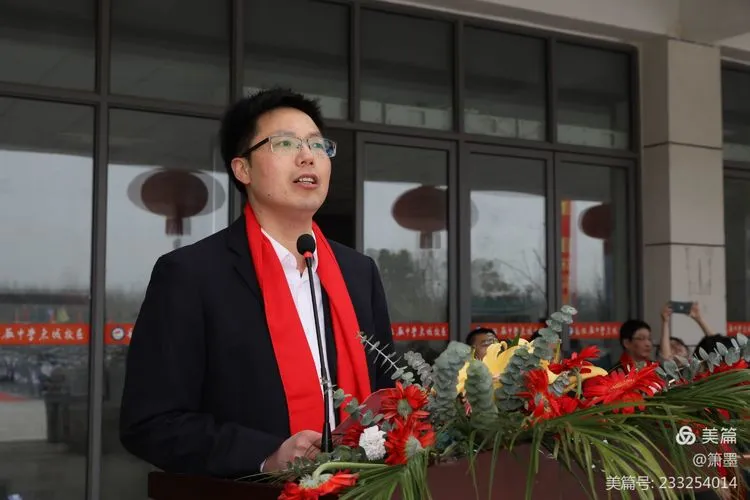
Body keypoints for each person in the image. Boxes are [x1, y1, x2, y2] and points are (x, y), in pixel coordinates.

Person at [119, 88, 396, 478]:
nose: (307, 156)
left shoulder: (358, 272)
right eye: (285, 143)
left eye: (318, 145)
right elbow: (151, 422)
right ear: (243, 169)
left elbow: (389, 395)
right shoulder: (191, 275)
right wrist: (266, 456)